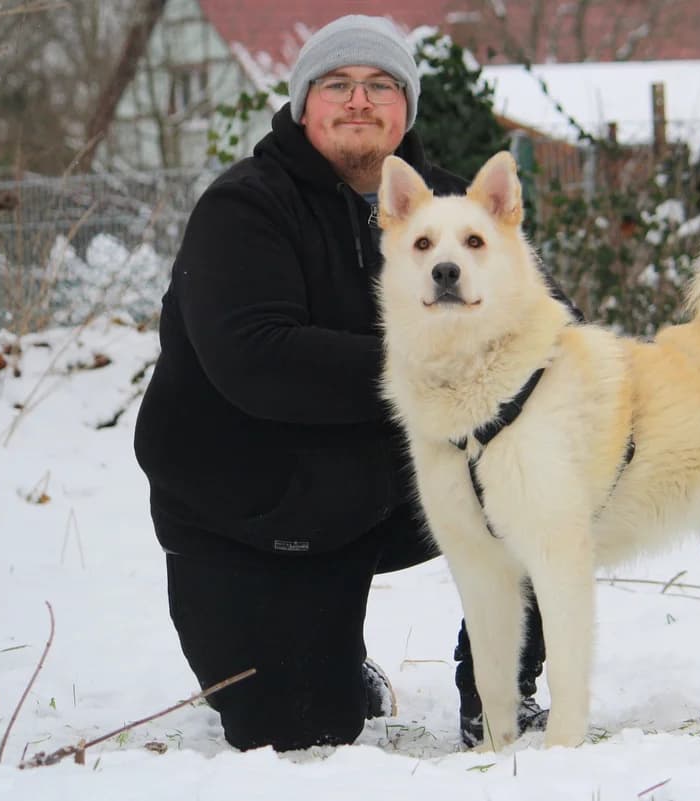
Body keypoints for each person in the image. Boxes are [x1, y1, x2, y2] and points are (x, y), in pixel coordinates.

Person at [134, 14, 577, 752]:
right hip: (250, 509)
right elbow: (257, 360)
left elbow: (551, 323)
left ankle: (497, 691)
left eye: (381, 85)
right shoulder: (244, 208)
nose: (359, 100)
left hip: (390, 484)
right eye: (337, 84)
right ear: (304, 103)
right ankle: (329, 658)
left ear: (406, 108)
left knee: (538, 459)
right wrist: (446, 360)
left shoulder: (447, 206)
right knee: (294, 729)